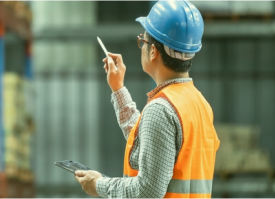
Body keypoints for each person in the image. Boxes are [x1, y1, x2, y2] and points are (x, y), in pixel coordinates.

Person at [74, 0, 219, 198]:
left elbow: (148, 191)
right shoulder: (198, 103)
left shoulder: (162, 109)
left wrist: (99, 185)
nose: (140, 45)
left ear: (153, 52)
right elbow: (152, 144)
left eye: (143, 40)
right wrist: (118, 89)